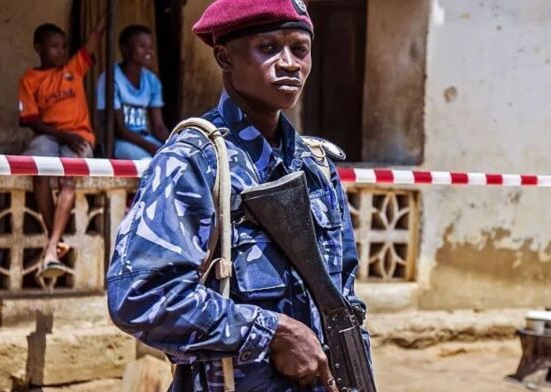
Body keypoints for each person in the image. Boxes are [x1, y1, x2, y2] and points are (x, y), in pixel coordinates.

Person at [106, 0, 371, 391]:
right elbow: (139, 296)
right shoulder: (194, 162)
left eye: (300, 49)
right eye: (268, 48)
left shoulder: (315, 164)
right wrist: (270, 333)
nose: (289, 64)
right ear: (224, 57)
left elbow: (343, 300)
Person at [18, 17, 106, 279]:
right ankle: (54, 244)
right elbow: (30, 121)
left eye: (63, 46)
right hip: (50, 135)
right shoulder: (30, 79)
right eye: (54, 46)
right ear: (38, 47)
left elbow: (95, 35)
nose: (61, 51)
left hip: (79, 137)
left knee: (69, 180)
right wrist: (62, 135)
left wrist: (101, 19)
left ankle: (51, 248)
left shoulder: (74, 69)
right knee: (39, 174)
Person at [97, 25, 169, 160]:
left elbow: (159, 127)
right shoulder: (111, 78)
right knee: (148, 163)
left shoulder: (151, 80)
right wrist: (151, 147)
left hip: (145, 140)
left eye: (151, 47)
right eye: (142, 46)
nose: (148, 52)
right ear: (125, 49)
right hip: (120, 143)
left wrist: (173, 144)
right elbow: (119, 129)